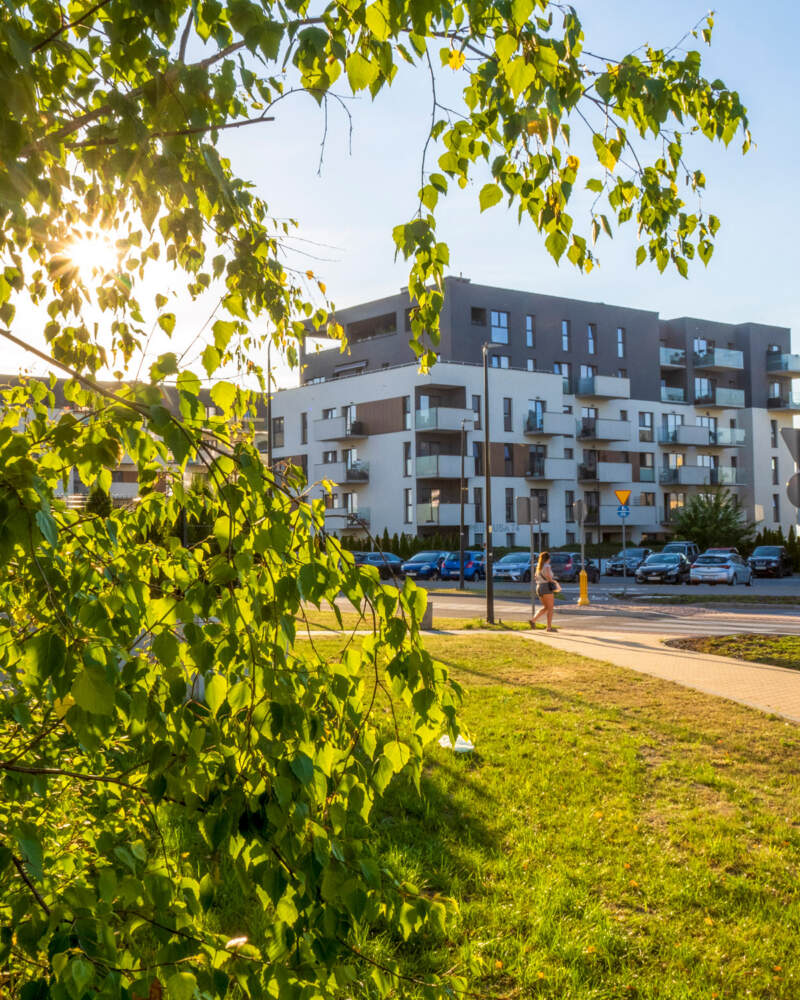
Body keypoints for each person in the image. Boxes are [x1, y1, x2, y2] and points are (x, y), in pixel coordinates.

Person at [531, 551, 561, 631]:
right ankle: (549, 627)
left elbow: (535, 577)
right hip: (546, 587)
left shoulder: (538, 567)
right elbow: (547, 575)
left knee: (546, 607)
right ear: (548, 558)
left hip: (539, 587)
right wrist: (553, 582)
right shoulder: (547, 566)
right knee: (550, 608)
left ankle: (533, 620)